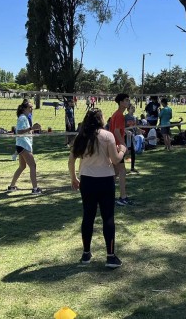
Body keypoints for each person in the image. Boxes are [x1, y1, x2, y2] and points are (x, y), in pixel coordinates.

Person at [68, 109, 126, 268]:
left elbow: (71, 160)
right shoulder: (107, 136)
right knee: (108, 217)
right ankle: (110, 256)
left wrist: (74, 178)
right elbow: (115, 160)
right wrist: (122, 151)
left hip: (87, 181)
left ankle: (86, 254)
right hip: (105, 180)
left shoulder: (81, 136)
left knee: (88, 216)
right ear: (100, 119)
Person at [7, 102, 42, 194]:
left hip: (22, 144)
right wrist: (31, 128)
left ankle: (11, 186)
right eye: (30, 107)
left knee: (22, 166)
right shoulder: (22, 118)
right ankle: (35, 189)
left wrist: (34, 129)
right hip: (23, 145)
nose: (31, 109)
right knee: (33, 165)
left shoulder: (24, 118)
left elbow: (26, 131)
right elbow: (19, 132)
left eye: (32, 107)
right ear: (24, 109)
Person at [110, 94, 132, 205]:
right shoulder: (119, 115)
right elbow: (116, 132)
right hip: (117, 147)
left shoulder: (118, 115)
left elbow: (117, 130)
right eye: (126, 100)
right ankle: (123, 197)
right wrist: (123, 145)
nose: (129, 102)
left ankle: (109, 197)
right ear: (121, 102)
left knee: (114, 173)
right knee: (122, 171)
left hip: (114, 146)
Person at [124, 104, 139, 173]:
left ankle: (132, 168)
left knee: (133, 151)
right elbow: (122, 127)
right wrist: (126, 131)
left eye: (134, 108)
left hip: (132, 136)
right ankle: (121, 167)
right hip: (126, 136)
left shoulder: (135, 117)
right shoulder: (125, 117)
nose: (133, 109)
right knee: (124, 152)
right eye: (132, 108)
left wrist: (140, 131)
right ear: (128, 109)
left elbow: (136, 127)